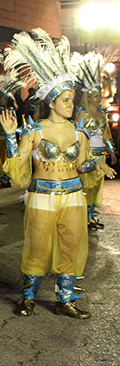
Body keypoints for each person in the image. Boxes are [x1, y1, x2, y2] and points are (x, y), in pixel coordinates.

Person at [0, 29, 116, 318]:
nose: (71, 104)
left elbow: (82, 166)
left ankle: (66, 300)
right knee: (37, 245)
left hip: (74, 196)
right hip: (42, 196)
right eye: (65, 100)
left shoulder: (80, 132)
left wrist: (96, 165)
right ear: (51, 102)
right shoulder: (35, 131)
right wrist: (11, 136)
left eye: (72, 100)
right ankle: (28, 296)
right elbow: (17, 167)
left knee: (72, 245)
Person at [74, 52, 118, 231]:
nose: (97, 98)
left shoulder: (102, 114)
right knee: (86, 185)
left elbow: (106, 134)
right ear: (87, 96)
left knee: (97, 188)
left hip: (101, 155)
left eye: (99, 95)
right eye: (94, 95)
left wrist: (112, 153)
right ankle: (83, 216)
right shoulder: (82, 115)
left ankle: (91, 215)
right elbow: (78, 137)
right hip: (88, 155)